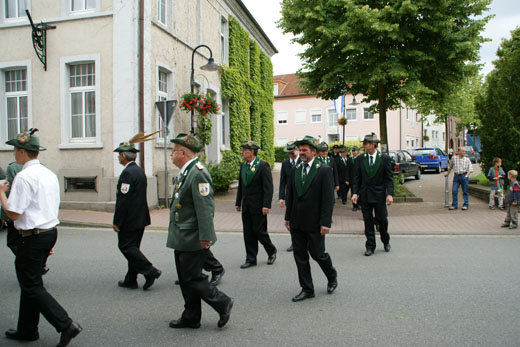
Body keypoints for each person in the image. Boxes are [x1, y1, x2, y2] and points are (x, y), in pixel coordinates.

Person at [0, 129, 82, 347]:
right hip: (48, 233)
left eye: (16, 150)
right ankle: (27, 329)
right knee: (30, 282)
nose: (14, 154)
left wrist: (0, 193)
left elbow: (14, 213)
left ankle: (66, 324)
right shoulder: (48, 173)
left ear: (22, 152)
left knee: (31, 285)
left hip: (32, 236)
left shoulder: (24, 176)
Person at [167, 133, 234, 329]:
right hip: (182, 235)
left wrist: (206, 236)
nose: (171, 155)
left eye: (174, 152)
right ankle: (191, 316)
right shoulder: (187, 172)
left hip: (192, 236)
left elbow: (205, 209)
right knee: (185, 279)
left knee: (192, 278)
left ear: (184, 153)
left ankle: (223, 302)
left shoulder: (198, 172)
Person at [284, 135, 337, 302]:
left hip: (315, 222)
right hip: (297, 221)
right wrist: (288, 217)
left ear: (314, 152)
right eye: (300, 150)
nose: (301, 153)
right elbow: (290, 195)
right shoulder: (295, 170)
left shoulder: (324, 170)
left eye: (304, 150)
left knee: (318, 254)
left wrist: (325, 222)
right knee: (300, 256)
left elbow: (328, 199)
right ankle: (307, 289)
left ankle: (332, 276)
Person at [113, 140, 161, 290]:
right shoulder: (139, 170)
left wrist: (117, 221)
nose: (118, 158)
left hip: (130, 219)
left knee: (126, 247)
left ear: (123, 156)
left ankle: (150, 271)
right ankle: (131, 279)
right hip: (140, 217)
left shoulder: (127, 173)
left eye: (119, 155)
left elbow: (123, 200)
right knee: (133, 248)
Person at [235, 140, 277, 269]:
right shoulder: (243, 166)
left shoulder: (263, 165)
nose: (242, 152)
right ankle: (251, 258)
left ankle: (271, 251)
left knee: (259, 231)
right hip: (247, 205)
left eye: (244, 150)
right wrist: (238, 202)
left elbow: (268, 188)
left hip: (259, 206)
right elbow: (241, 186)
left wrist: (266, 205)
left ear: (252, 152)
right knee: (248, 232)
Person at [352, 133, 394, 256]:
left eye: (366, 144)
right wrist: (355, 193)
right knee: (368, 221)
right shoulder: (360, 159)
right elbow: (357, 178)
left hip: (379, 195)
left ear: (373, 145)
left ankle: (385, 240)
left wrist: (389, 194)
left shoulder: (384, 158)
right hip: (365, 195)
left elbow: (389, 178)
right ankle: (370, 246)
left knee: (382, 220)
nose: (363, 146)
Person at [279, 141, 300, 252]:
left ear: (297, 150)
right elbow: (283, 181)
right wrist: (281, 197)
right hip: (290, 197)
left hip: (302, 196)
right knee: (291, 220)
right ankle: (294, 242)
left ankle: (304, 242)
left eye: (292, 152)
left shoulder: (303, 161)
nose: (291, 155)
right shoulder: (285, 163)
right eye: (289, 153)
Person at [346, 146, 361, 211]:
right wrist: (347, 179)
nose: (354, 152)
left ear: (358, 151)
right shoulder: (350, 159)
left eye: (355, 151)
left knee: (360, 192)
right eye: (353, 151)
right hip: (352, 179)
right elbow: (347, 170)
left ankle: (359, 204)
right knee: (353, 192)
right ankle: (354, 205)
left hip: (360, 179)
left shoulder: (361, 159)